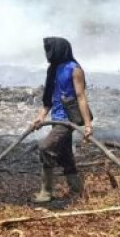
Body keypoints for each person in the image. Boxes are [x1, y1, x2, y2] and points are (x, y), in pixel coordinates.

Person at [31, 37, 93, 203]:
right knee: (65, 154)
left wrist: (87, 125)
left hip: (68, 120)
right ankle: (78, 190)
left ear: (59, 50)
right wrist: (40, 117)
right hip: (57, 118)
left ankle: (46, 192)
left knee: (45, 147)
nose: (47, 54)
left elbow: (81, 97)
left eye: (50, 50)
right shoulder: (53, 69)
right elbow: (48, 98)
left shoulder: (75, 69)